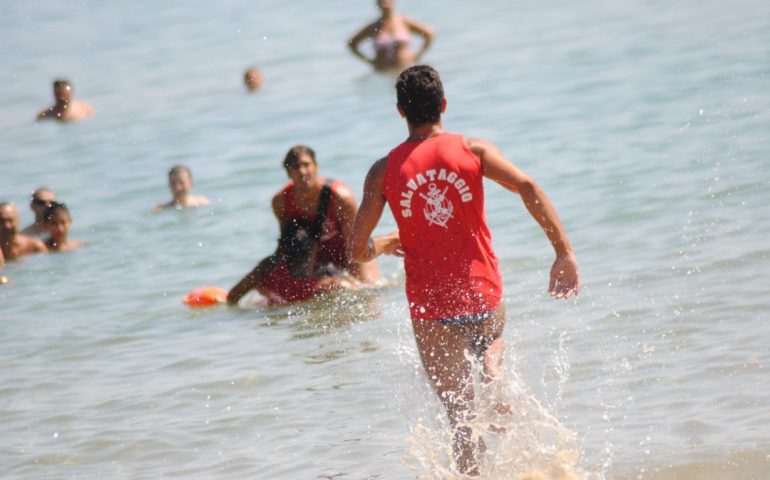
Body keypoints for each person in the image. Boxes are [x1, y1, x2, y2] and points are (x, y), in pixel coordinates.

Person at [346, 65, 580, 476]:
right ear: (444, 105)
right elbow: (528, 187)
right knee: (491, 341)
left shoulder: (384, 170)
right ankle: (492, 366)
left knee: (460, 421)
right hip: (482, 290)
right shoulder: (473, 149)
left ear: (401, 111)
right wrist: (563, 252)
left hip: (432, 307)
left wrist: (383, 243)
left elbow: (356, 252)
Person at [227, 145, 381, 305]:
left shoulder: (340, 198)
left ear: (316, 166)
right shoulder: (281, 202)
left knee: (369, 292)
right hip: (311, 261)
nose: (302, 171)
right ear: (288, 173)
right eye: (295, 167)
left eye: (306, 164)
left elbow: (357, 244)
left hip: (349, 252)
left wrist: (362, 287)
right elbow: (287, 244)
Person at [348, 0, 434, 72]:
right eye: (381, 0)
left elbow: (429, 33)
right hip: (383, 72)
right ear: (377, 3)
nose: (385, 3)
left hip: (406, 68)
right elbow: (351, 43)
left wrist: (418, 56)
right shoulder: (373, 27)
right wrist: (369, 61)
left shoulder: (403, 21)